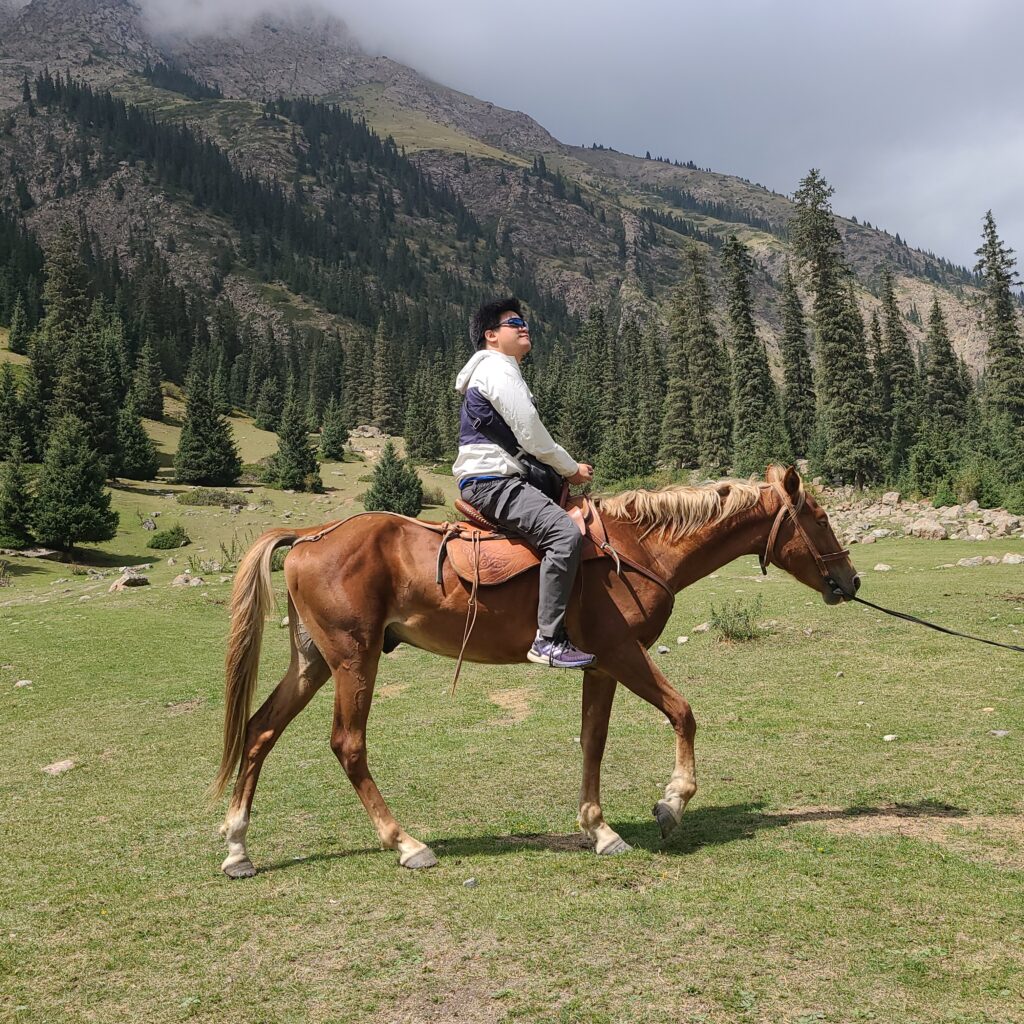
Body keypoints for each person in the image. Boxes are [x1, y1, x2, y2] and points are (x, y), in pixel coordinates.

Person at [453, 296, 596, 669]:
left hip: (494, 479)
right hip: (493, 482)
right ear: (491, 336)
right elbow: (532, 437)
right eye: (513, 322)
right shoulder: (498, 370)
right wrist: (570, 470)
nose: (523, 326)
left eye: (525, 321)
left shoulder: (493, 370)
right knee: (564, 535)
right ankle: (548, 639)